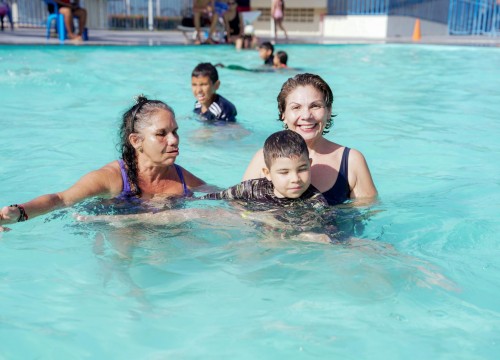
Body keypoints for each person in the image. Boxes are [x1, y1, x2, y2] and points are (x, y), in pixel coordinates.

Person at [0, 96, 205, 232]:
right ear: (136, 141)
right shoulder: (112, 178)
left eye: (175, 131)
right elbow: (60, 200)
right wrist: (19, 212)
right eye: (162, 134)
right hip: (111, 232)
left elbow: (221, 198)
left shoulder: (181, 178)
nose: (174, 140)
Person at [243, 73, 378, 206]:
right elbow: (240, 210)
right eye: (296, 107)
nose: (306, 116)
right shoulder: (263, 158)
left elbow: (369, 214)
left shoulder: (351, 161)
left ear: (329, 111)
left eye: (315, 106)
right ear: (283, 114)